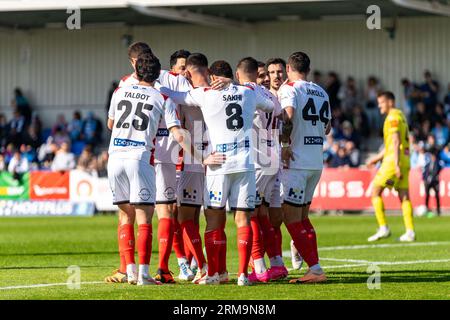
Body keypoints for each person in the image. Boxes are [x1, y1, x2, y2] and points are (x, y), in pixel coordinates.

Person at [161, 59, 274, 286]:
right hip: (244, 163)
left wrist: (160, 80)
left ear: (212, 77)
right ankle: (242, 275)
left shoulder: (205, 94)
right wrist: (238, 86)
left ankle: (214, 273)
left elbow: (174, 95)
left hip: (217, 164)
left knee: (214, 221)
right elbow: (271, 106)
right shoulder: (248, 92)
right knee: (243, 220)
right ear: (231, 75)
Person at [107, 51, 192, 286]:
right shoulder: (161, 97)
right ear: (158, 74)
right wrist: (200, 155)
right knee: (145, 216)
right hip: (139, 158)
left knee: (125, 215)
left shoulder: (119, 90)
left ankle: (130, 271)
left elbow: (110, 124)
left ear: (136, 70)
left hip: (114, 158)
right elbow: (176, 131)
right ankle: (145, 274)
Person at [279, 51, 331, 284]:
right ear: (308, 70)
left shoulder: (289, 88)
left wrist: (284, 144)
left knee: (290, 217)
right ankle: (313, 265)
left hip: (297, 162)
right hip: (315, 162)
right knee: (302, 217)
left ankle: (316, 270)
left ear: (289, 68)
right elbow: (327, 128)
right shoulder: (322, 92)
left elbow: (288, 116)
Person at [235, 56, 284, 283]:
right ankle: (277, 263)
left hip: (257, 159)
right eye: (264, 74)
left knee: (248, 214)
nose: (266, 78)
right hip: (272, 157)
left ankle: (259, 267)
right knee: (263, 214)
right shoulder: (270, 95)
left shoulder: (247, 92)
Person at [366, 91, 415, 242]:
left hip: (393, 164)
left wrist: (396, 165)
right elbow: (392, 145)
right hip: (404, 160)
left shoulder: (392, 117)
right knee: (404, 195)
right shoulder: (401, 116)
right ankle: (410, 232)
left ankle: (383, 228)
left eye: (381, 102)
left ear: (390, 102)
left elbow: (395, 141)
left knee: (376, 191)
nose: (379, 105)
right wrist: (376, 158)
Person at [423, 147, 443, 217]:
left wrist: (433, 177)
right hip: (428, 182)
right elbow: (425, 172)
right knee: (427, 195)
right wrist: (425, 179)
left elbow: (437, 171)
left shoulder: (438, 164)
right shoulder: (428, 164)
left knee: (437, 196)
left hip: (435, 182)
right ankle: (426, 208)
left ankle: (438, 210)